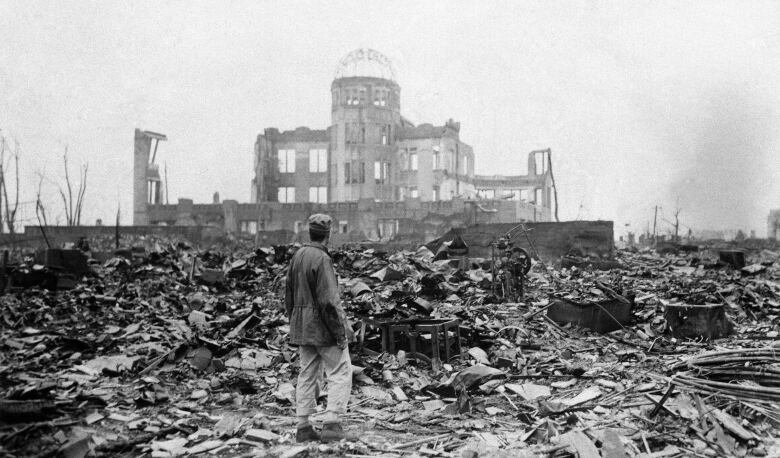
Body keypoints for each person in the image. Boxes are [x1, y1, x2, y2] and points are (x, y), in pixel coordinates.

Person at [285, 214, 352, 443]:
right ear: (328, 234)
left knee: (307, 373)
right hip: (323, 327)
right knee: (341, 370)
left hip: (302, 327)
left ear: (310, 232)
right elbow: (329, 301)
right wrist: (340, 332)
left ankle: (303, 426)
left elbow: (288, 296)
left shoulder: (298, 256)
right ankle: (332, 423)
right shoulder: (322, 259)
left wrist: (295, 322)